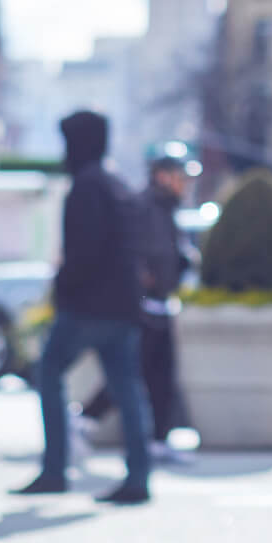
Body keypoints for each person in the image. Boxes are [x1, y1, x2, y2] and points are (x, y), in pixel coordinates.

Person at [14, 110, 151, 504]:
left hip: (89, 306)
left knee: (49, 371)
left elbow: (82, 253)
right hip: (124, 308)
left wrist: (62, 288)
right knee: (128, 391)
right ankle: (138, 477)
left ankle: (55, 469)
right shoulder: (116, 184)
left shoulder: (87, 187)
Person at [77, 152, 193, 466]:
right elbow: (134, 250)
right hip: (142, 305)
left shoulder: (167, 209)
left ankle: (158, 440)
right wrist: (143, 280)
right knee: (131, 371)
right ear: (162, 175)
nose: (185, 183)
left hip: (161, 304)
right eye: (180, 176)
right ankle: (84, 420)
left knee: (162, 376)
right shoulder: (144, 206)